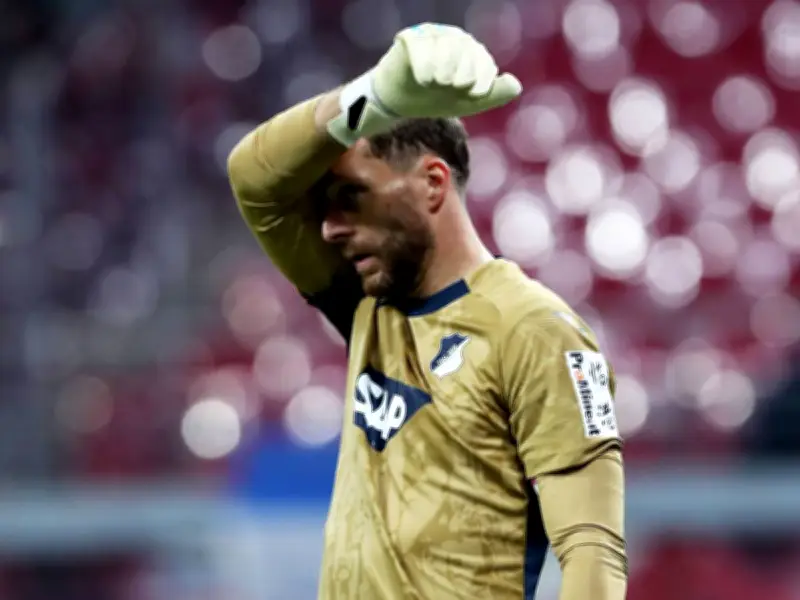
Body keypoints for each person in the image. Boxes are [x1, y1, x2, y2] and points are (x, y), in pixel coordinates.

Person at [227, 23, 627, 600]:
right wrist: (372, 94)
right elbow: (253, 180)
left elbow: (592, 547)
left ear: (432, 184)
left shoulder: (534, 330)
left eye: (350, 197)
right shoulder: (369, 307)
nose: (330, 229)